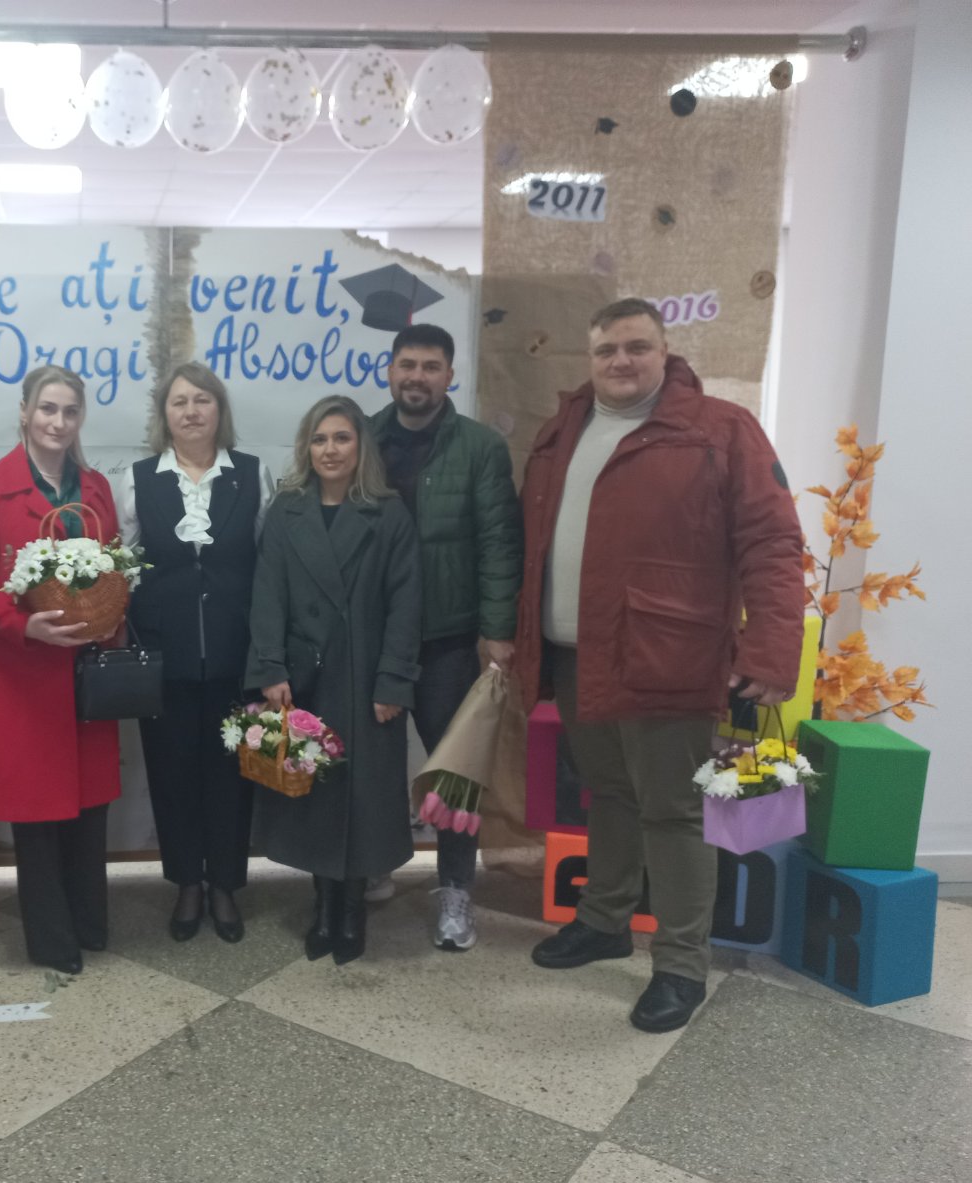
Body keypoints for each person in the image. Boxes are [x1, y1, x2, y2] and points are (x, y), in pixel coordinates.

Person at [514, 298, 805, 1032]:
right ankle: (604, 920)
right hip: (575, 654)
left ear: (665, 351)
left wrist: (772, 647)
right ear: (590, 357)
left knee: (673, 811)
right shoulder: (562, 430)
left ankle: (680, 964)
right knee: (609, 792)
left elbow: (772, 541)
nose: (621, 361)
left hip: (669, 655)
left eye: (637, 347)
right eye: (607, 349)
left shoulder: (721, 430)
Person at [246, 396, 422, 965]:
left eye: (342, 438)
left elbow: (405, 605)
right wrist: (270, 668)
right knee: (313, 796)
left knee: (361, 797)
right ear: (307, 447)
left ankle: (352, 911)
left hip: (365, 676)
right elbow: (267, 594)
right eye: (320, 439)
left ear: (360, 446)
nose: (330, 450)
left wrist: (393, 680)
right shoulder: (287, 510)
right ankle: (323, 907)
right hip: (305, 678)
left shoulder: (388, 513)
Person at [0, 365, 121, 975]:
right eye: (47, 409)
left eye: (70, 411)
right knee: (37, 811)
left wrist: (110, 615)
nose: (58, 422)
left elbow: (116, 568)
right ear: (25, 412)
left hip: (85, 670)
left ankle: (90, 922)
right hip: (20, 674)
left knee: (89, 806)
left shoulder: (96, 487)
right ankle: (52, 940)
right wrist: (23, 625)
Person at [368, 323, 522, 950]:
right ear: (389, 370)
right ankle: (373, 865)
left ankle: (456, 890)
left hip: (448, 639)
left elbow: (499, 542)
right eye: (407, 364)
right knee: (373, 767)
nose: (417, 377)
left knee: (454, 772)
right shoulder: (363, 439)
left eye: (431, 367)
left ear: (449, 376)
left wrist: (497, 630)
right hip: (375, 639)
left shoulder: (480, 447)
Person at [116, 363, 274, 943]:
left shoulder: (253, 475)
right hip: (165, 658)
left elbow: (269, 565)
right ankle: (186, 882)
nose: (191, 411)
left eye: (202, 400)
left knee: (233, 775)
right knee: (172, 774)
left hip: (237, 657)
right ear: (164, 415)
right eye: (179, 401)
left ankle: (225, 885)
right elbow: (124, 566)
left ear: (219, 410)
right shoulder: (138, 480)